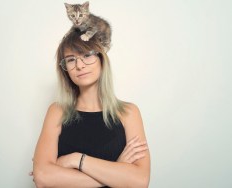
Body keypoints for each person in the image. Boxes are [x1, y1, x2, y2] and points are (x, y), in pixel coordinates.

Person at [31, 30, 151, 188]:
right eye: (71, 60)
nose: (79, 65)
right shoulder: (57, 112)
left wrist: (76, 160)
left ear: (101, 59)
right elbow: (43, 177)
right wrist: (116, 171)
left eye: (87, 55)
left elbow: (139, 181)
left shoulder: (128, 113)